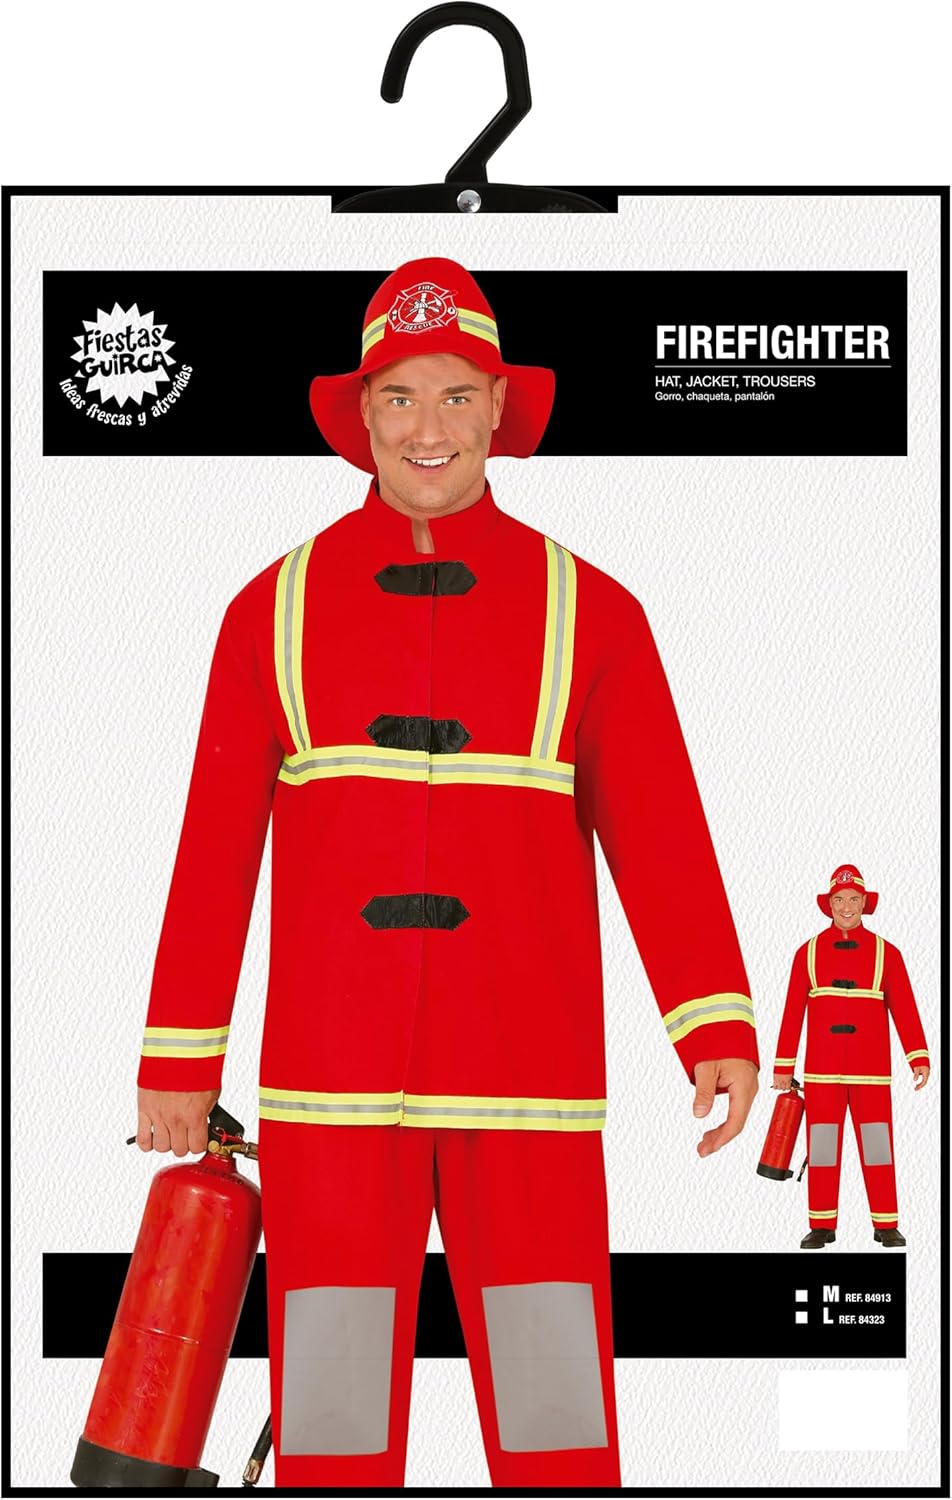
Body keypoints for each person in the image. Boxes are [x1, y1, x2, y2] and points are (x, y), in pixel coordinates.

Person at [135, 256, 759, 1487]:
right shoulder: (270, 608)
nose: (429, 427)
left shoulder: (594, 611)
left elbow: (662, 834)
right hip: (328, 1091)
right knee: (332, 1426)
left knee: (552, 1419)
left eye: (458, 395)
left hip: (527, 1085)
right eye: (400, 396)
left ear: (498, 408)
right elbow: (212, 848)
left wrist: (715, 1027)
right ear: (362, 413)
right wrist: (177, 1062)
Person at [772, 864, 930, 1249]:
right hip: (822, 1075)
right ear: (829, 904)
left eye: (853, 899)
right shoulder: (806, 953)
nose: (846, 907)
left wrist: (918, 1056)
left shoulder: (887, 953)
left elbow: (905, 1008)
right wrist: (783, 1066)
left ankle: (886, 1223)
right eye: (839, 899)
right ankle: (822, 1225)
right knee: (823, 1150)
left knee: (877, 1149)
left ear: (864, 903)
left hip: (871, 1074)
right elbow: (792, 1012)